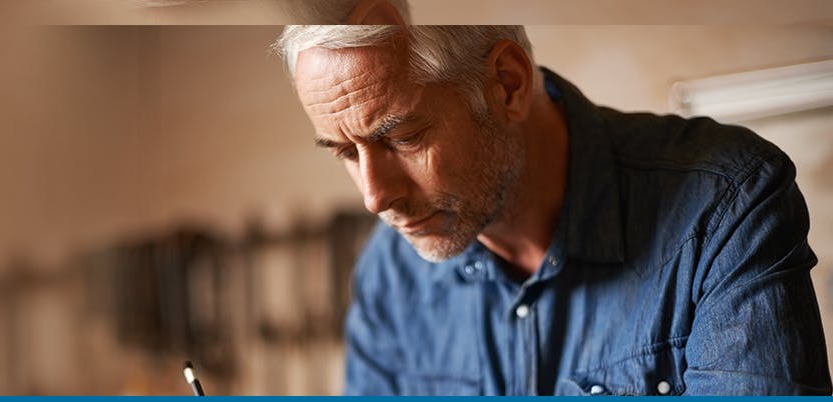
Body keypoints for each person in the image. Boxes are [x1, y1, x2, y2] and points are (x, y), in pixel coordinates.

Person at [272, 3, 832, 396]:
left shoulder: (724, 204)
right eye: (345, 152)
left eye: (402, 137)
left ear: (508, 84)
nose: (376, 197)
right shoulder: (389, 274)